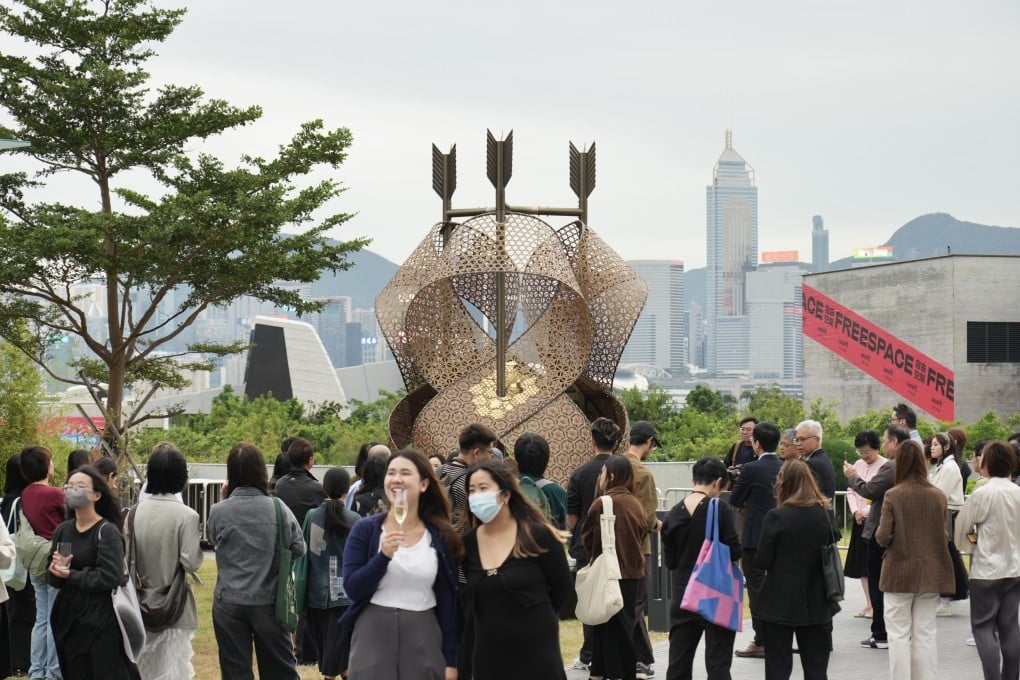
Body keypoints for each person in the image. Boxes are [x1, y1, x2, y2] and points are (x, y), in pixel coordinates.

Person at [341, 450, 463, 680]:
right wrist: (382, 557)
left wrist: (450, 660)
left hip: (424, 631)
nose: (396, 479)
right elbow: (353, 588)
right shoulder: (366, 529)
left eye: (405, 473)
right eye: (391, 473)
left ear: (424, 484)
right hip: (372, 632)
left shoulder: (440, 535)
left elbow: (449, 602)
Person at [460, 460, 571, 679]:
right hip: (489, 656)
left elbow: (562, 588)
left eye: (483, 488)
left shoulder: (538, 537)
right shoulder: (468, 545)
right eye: (471, 491)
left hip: (536, 652)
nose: (476, 496)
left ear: (505, 494)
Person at [207, 443, 304, 680]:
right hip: (269, 601)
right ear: (261, 471)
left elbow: (212, 539)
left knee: (235, 671)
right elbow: (299, 548)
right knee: (280, 671)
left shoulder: (218, 510)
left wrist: (224, 499)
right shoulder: (278, 508)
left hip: (228, 601)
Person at [875, 440, 954, 680]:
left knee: (898, 634)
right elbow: (943, 535)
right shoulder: (938, 496)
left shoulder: (893, 495)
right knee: (925, 633)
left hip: (898, 573)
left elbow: (882, 536)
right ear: (923, 462)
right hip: (931, 572)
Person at [47, 465, 136, 679]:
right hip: (68, 618)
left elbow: (110, 576)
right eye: (69, 486)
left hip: (101, 620)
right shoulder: (63, 530)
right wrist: (55, 570)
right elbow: (54, 579)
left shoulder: (107, 532)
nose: (73, 490)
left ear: (97, 494)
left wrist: (72, 575)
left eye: (81, 486)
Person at [754, 460, 839, 680]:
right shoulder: (824, 514)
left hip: (778, 601)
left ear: (783, 484)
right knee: (816, 668)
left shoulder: (777, 516)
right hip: (817, 599)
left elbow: (762, 560)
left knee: (778, 667)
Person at [127, 442, 203, 680]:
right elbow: (192, 563)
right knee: (172, 672)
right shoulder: (187, 515)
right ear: (181, 477)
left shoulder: (133, 512)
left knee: (144, 669)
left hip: (139, 603)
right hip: (174, 605)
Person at [661, 457, 741, 680]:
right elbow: (735, 551)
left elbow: (671, 562)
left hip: (684, 593)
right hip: (716, 594)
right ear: (717, 482)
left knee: (678, 661)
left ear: (693, 479)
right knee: (718, 664)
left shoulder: (673, 513)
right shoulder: (720, 509)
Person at [954, 441, 1020, 680]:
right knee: (1010, 626)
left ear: (986, 463)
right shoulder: (1017, 491)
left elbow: (962, 528)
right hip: (1014, 568)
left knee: (983, 628)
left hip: (986, 570)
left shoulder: (982, 493)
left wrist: (972, 545)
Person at [582, 455, 650, 680]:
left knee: (611, 630)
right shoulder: (635, 503)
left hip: (609, 574)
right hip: (633, 574)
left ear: (610, 476)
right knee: (619, 626)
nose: (600, 477)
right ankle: (597, 672)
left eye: (602, 472)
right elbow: (641, 533)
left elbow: (588, 539)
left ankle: (619, 673)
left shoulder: (602, 503)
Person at [843, 424, 910, 650]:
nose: (883, 444)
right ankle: (890, 631)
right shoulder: (910, 465)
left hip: (881, 530)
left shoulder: (891, 466)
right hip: (896, 530)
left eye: (885, 440)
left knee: (879, 583)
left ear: (894, 442)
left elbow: (870, 491)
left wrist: (852, 476)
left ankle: (880, 633)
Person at [566, 416, 622, 671]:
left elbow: (572, 519)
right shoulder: (623, 471)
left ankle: (588, 654)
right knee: (615, 598)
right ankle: (614, 652)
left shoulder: (579, 474)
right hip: (616, 544)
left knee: (589, 599)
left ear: (592, 441)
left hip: (585, 546)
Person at [729, 421, 782, 659]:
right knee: (780, 586)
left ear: (757, 443)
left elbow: (735, 499)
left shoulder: (751, 469)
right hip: (782, 535)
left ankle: (761, 640)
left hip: (754, 536)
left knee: (757, 589)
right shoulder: (786, 467)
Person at [302, 467, 360, 680]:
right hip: (346, 593)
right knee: (341, 643)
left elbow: (306, 551)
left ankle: (331, 675)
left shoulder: (312, 516)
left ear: (324, 488)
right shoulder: (355, 519)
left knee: (326, 643)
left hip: (317, 592)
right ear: (347, 489)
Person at [19, 445, 65, 680]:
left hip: (36, 561)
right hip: (56, 559)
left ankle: (36, 670)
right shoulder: (56, 494)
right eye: (51, 461)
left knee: (41, 618)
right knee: (55, 619)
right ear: (46, 468)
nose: (53, 465)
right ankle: (54, 672)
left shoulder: (26, 493)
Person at [624, 420, 662, 679]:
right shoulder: (643, 474)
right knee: (635, 604)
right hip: (638, 548)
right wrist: (660, 524)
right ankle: (638, 659)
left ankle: (640, 657)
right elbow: (648, 520)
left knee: (623, 605)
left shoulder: (611, 467)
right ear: (649, 441)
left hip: (611, 546)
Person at [844, 430, 886, 619]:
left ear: (876, 448)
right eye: (860, 452)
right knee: (862, 565)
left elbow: (878, 494)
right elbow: (851, 490)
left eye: (868, 452)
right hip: (859, 519)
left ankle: (878, 605)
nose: (864, 456)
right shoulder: (857, 465)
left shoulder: (885, 466)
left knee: (874, 565)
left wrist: (865, 512)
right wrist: (855, 511)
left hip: (875, 519)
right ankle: (869, 603)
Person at [1, 454, 34, 676]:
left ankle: (15, 659)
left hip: (7, 572)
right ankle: (22, 659)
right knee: (25, 611)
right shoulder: (22, 501)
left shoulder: (5, 500)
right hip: (20, 564)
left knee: (13, 611)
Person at [927, 431, 965, 617]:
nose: (932, 447)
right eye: (932, 444)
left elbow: (940, 493)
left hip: (947, 514)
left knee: (947, 557)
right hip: (942, 514)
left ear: (946, 446)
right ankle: (943, 598)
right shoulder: (943, 466)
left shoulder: (949, 468)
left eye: (936, 444)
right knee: (946, 556)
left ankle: (946, 599)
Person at [438, 423, 498, 534]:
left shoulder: (439, 471)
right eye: (490, 453)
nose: (491, 458)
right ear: (477, 453)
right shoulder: (471, 482)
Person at [514, 431, 568, 529]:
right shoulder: (557, 492)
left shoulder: (507, 488)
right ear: (546, 460)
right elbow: (564, 529)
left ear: (517, 459)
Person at [794, 420, 836, 502]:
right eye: (797, 440)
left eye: (802, 439)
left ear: (817, 440)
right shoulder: (824, 459)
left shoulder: (812, 464)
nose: (798, 444)